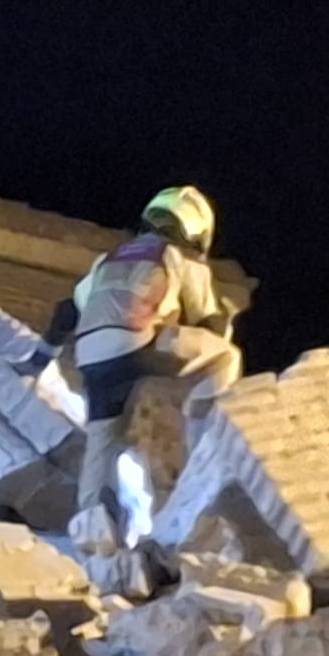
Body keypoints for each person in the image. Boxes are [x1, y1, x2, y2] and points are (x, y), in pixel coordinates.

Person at [60, 186, 240, 554]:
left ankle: (94, 539)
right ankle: (212, 436)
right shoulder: (178, 257)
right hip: (138, 344)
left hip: (91, 356)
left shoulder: (108, 259)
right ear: (197, 229)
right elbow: (209, 325)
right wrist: (225, 319)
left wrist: (38, 357)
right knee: (225, 356)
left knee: (102, 443)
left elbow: (69, 308)